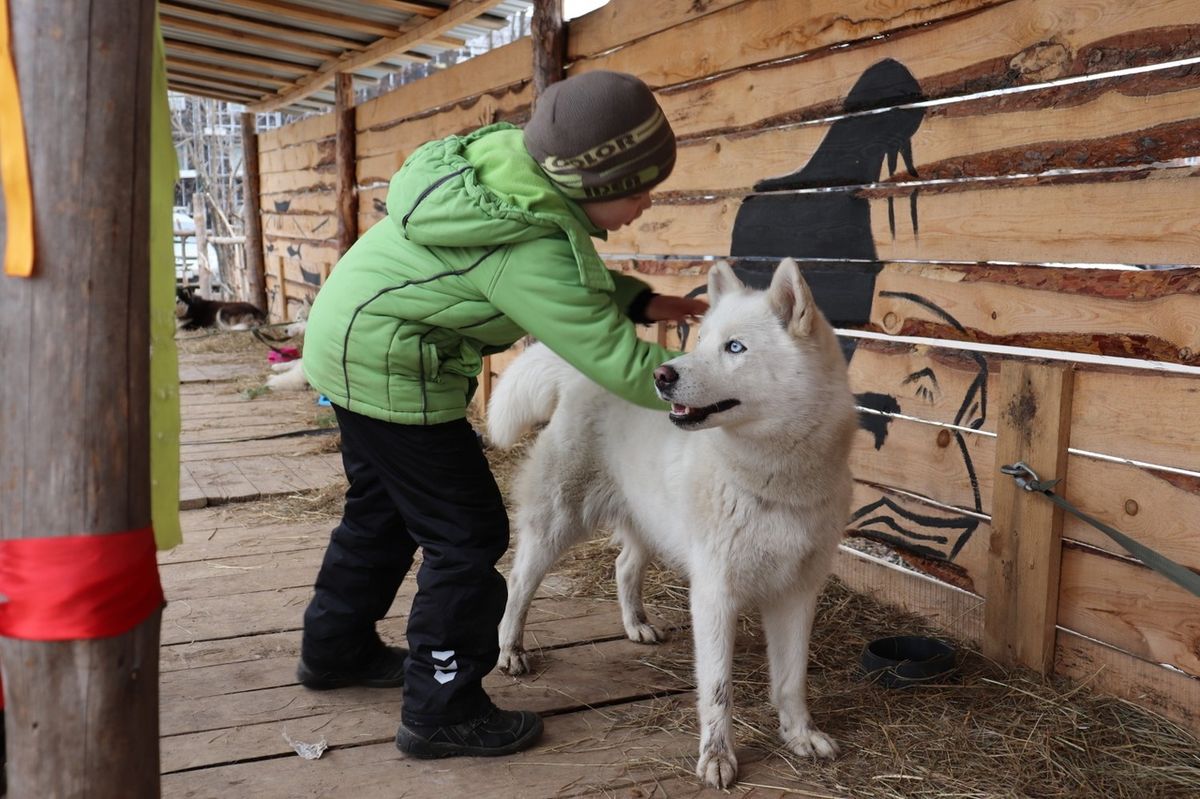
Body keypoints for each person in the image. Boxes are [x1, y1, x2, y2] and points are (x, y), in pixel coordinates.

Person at [295, 70, 707, 759]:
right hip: (392, 367)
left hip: (351, 341)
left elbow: (570, 270)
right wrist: (706, 399)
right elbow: (618, 361)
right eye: (638, 189)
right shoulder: (532, 246)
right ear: (592, 186)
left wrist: (637, 299)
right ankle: (441, 708)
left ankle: (334, 648)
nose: (646, 201)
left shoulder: (513, 177)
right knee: (467, 533)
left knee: (382, 508)